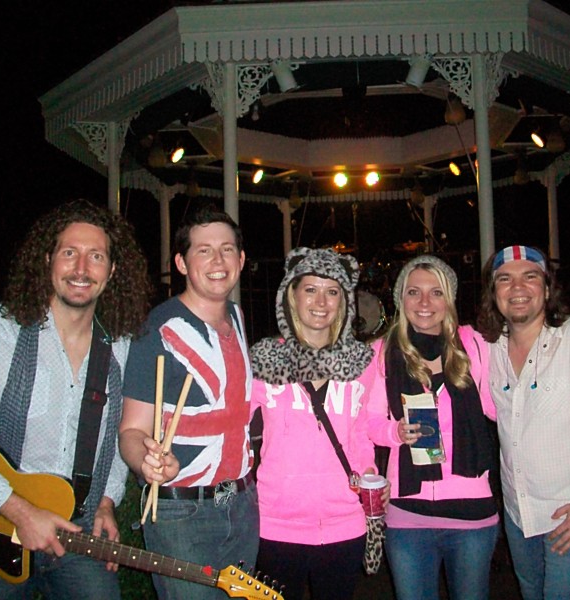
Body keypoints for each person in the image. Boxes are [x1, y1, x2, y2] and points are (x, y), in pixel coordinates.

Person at [0, 199, 152, 599]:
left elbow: (115, 437)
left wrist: (106, 501)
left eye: (96, 256)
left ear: (112, 271)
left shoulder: (119, 347)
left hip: (77, 529)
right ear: (48, 259)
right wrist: (21, 511)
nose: (81, 269)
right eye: (69, 253)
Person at [119, 206, 257, 600]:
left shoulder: (237, 317)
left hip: (241, 501)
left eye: (227, 250)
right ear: (181, 263)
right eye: (203, 251)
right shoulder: (157, 330)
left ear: (241, 260)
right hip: (182, 511)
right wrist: (145, 461)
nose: (218, 261)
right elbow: (131, 431)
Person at [475, 245, 570, 600]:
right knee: (531, 592)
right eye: (505, 279)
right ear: (493, 293)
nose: (517, 287)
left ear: (546, 288)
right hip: (518, 512)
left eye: (530, 277)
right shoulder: (490, 347)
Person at [365, 255, 498, 600]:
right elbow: (371, 423)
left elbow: (499, 408)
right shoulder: (382, 352)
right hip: (409, 514)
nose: (424, 302)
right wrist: (395, 432)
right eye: (414, 292)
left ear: (449, 299)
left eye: (436, 292)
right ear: (401, 298)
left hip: (472, 512)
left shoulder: (475, 345)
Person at [249, 247, 377, 600]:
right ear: (291, 295)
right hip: (275, 525)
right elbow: (233, 429)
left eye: (332, 291)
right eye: (310, 289)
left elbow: (361, 433)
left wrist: (369, 474)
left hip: (344, 524)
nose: (321, 301)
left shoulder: (362, 363)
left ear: (344, 300)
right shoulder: (264, 359)